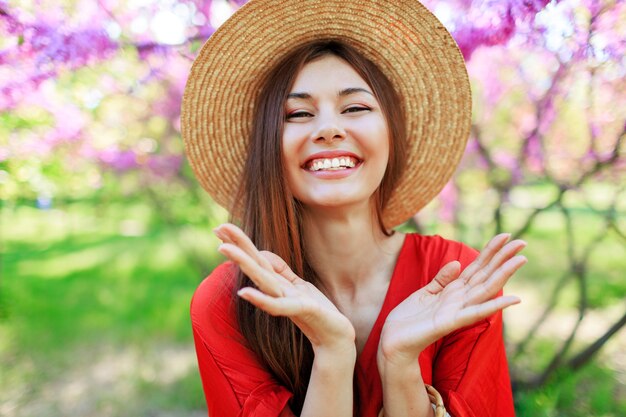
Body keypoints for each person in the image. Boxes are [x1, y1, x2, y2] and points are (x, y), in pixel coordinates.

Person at [181, 1, 526, 416]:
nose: (329, 129)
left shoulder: (456, 280)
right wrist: (332, 351)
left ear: (391, 136)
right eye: (299, 113)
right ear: (269, 148)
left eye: (356, 108)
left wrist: (399, 365)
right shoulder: (229, 303)